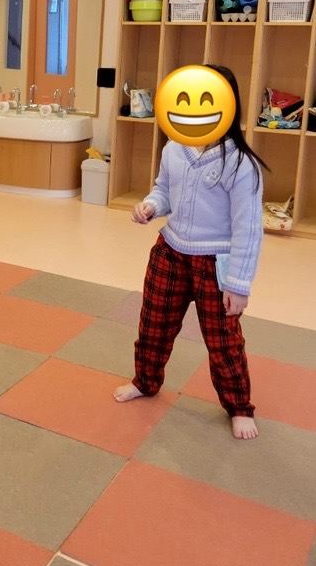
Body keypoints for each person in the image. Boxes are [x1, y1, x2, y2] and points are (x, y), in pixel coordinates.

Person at [113, 65, 269, 440]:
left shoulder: (240, 164)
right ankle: (145, 380)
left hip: (216, 263)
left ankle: (239, 406)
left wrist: (239, 284)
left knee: (223, 341)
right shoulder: (175, 147)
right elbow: (164, 190)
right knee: (153, 324)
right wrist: (151, 205)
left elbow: (248, 229)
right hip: (170, 251)